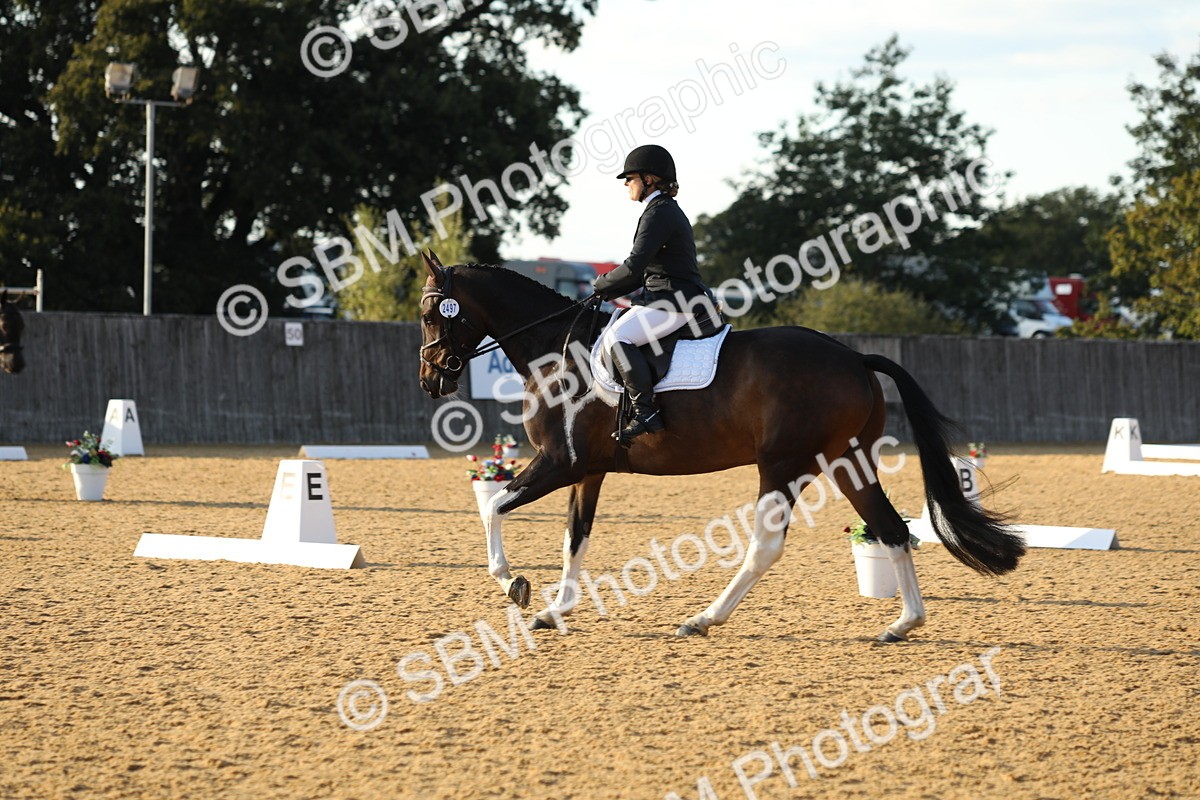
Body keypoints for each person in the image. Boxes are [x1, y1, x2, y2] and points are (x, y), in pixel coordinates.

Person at [593, 144, 713, 443]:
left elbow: (634, 267)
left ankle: (645, 411)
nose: (626, 183)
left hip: (674, 301)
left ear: (650, 179)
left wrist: (602, 284)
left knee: (616, 338)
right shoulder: (661, 211)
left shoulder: (659, 213)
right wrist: (606, 292)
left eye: (630, 177)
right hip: (670, 297)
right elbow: (643, 273)